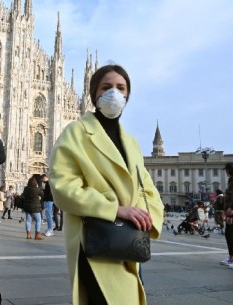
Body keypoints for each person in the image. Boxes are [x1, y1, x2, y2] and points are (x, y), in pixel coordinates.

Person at [49, 64, 164, 304]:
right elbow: (63, 186)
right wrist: (114, 209)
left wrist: (149, 216)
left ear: (127, 95)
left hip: (130, 240)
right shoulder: (76, 132)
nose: (114, 93)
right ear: (94, 95)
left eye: (121, 88)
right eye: (106, 87)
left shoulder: (130, 141)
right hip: (96, 240)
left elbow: (148, 188)